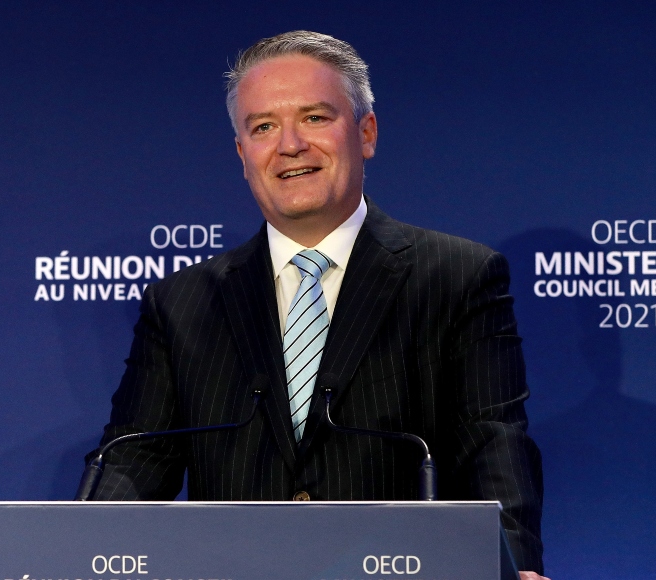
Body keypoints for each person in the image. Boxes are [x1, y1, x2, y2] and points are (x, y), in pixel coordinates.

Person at [83, 30, 547, 579]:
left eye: (314, 118)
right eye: (263, 127)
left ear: (366, 132)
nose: (290, 145)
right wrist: (79, 555)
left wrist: (514, 565)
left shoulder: (457, 277)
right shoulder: (181, 302)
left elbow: (492, 446)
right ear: (242, 153)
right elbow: (133, 464)